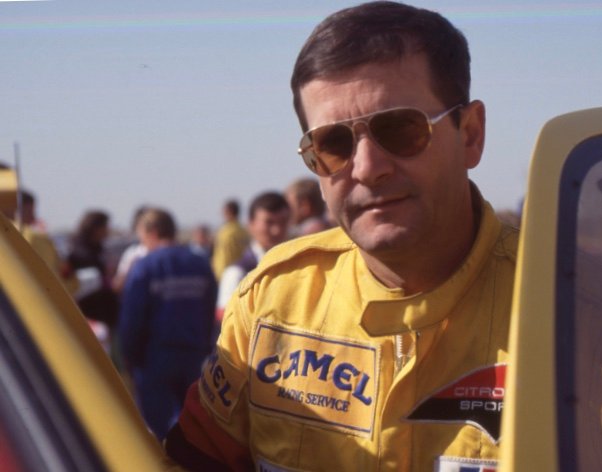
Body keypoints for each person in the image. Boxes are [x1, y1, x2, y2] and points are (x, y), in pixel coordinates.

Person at [165, 2, 518, 470]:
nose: (367, 168)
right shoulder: (273, 301)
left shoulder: (575, 313)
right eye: (333, 144)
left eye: (400, 129)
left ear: (470, 134)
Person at [118, 208, 217, 441]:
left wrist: (129, 356)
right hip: (193, 355)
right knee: (193, 426)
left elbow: (132, 318)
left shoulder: (145, 266)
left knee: (160, 430)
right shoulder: (200, 263)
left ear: (152, 232)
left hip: (154, 359)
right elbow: (209, 308)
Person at [215, 191, 291, 322]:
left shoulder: (296, 266)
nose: (277, 230)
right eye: (269, 222)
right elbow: (227, 322)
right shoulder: (237, 273)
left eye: (283, 222)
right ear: (251, 224)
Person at [67, 210, 119, 328]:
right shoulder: (80, 253)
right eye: (105, 226)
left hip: (105, 311)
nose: (108, 230)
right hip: (90, 314)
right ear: (95, 228)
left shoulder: (99, 249)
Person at [211, 199, 249, 281]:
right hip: (243, 272)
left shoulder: (226, 233)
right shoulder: (244, 231)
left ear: (229, 212)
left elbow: (223, 256)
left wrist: (220, 275)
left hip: (226, 275)